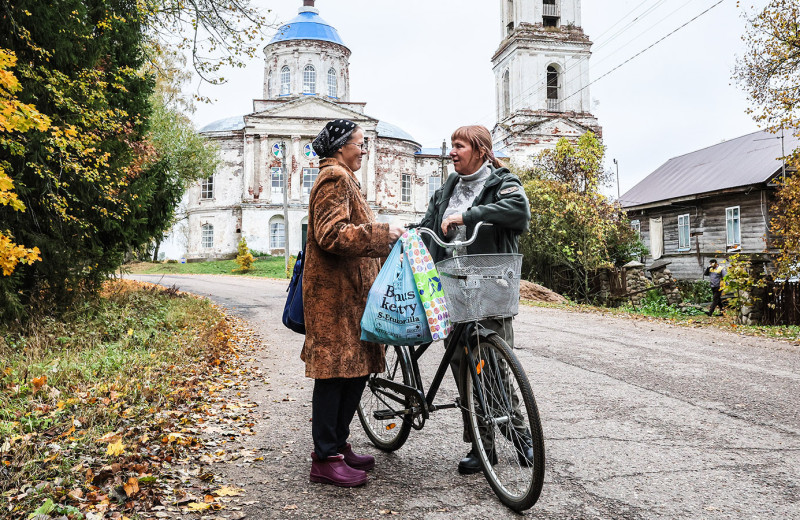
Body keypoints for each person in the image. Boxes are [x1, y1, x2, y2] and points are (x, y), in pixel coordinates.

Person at [418, 124, 532, 474]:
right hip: (451, 286)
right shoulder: (446, 188)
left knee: (494, 363)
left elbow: (519, 212)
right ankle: (482, 445)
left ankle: (519, 433)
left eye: (460, 146)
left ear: (480, 150)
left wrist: (468, 215)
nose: (452, 152)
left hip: (491, 283)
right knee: (463, 365)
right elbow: (427, 226)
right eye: (451, 145)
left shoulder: (502, 182)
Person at [302, 119, 404, 487]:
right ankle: (324, 458)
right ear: (342, 145)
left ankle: (338, 444)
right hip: (333, 297)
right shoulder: (334, 178)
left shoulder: (345, 177)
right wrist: (381, 233)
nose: (364, 149)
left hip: (351, 294)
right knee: (333, 373)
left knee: (355, 370)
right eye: (360, 143)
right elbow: (330, 234)